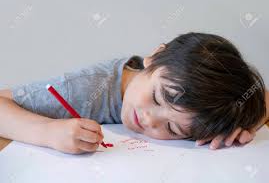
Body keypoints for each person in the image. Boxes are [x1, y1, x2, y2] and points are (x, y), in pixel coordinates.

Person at [0, 32, 268, 154]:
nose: (151, 120)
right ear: (155, 56)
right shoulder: (87, 89)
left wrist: (245, 123)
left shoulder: (200, 102)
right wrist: (48, 132)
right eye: (156, 98)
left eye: (172, 128)